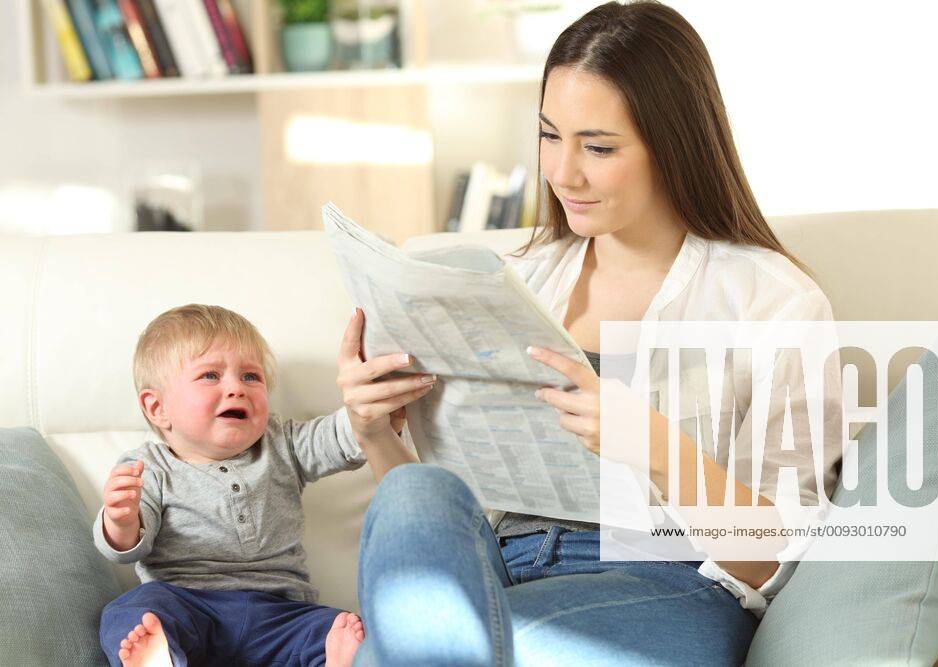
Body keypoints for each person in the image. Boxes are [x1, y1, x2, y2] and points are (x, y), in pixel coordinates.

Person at [338, 1, 841, 664]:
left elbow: (772, 560)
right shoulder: (514, 283)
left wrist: (655, 445)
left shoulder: (771, 299)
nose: (562, 172)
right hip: (492, 569)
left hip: (666, 587)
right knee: (416, 491)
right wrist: (377, 430)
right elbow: (442, 537)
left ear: (673, 144)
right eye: (550, 136)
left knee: (407, 654)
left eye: (598, 147)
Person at [92, 305, 415, 666]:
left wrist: (366, 413)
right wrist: (121, 521)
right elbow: (127, 547)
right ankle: (159, 660)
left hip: (280, 614)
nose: (236, 388)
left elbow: (340, 436)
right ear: (158, 408)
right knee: (129, 611)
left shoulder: (281, 443)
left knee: (340, 627)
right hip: (189, 606)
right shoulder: (148, 466)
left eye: (251, 377)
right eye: (210, 376)